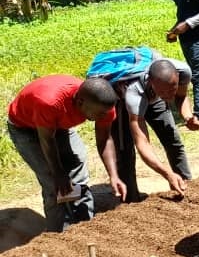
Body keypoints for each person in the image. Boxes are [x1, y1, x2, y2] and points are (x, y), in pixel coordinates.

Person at [7, 76, 127, 232]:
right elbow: (47, 141)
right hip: (25, 127)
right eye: (100, 114)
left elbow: (104, 139)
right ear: (80, 103)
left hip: (58, 123)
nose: (104, 116)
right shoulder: (50, 102)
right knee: (53, 184)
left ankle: (84, 228)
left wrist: (113, 175)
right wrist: (58, 173)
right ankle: (57, 237)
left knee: (78, 172)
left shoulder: (104, 105)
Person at [106, 54, 191, 202]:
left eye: (173, 88)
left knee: (173, 140)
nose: (169, 96)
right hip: (123, 101)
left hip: (153, 96)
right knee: (125, 150)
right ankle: (130, 199)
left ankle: (186, 186)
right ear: (151, 82)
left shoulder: (183, 71)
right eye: (164, 92)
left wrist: (188, 116)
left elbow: (181, 96)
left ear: (177, 76)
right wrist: (167, 173)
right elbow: (143, 143)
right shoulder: (134, 93)